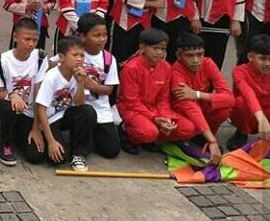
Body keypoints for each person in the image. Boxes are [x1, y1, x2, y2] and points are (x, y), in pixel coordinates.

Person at [116, 28, 195, 154]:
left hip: (155, 110)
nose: (160, 53)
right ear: (142, 47)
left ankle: (151, 137)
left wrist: (165, 118)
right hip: (133, 110)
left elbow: (163, 99)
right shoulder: (131, 68)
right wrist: (155, 118)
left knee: (188, 129)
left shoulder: (166, 67)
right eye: (155, 48)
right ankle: (127, 132)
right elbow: (131, 102)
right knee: (149, 132)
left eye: (163, 49)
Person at [28, 36, 96, 171]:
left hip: (63, 116)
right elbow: (40, 108)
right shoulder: (52, 77)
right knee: (51, 158)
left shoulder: (78, 75)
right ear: (61, 57)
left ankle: (78, 153)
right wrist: (51, 141)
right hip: (46, 120)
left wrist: (81, 82)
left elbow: (79, 103)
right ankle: (52, 141)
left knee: (87, 112)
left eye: (82, 55)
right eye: (75, 55)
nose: (79, 59)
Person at [0, 18, 45, 166]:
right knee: (10, 107)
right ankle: (6, 144)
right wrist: (12, 95)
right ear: (15, 37)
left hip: (28, 110)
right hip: (5, 105)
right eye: (27, 39)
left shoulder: (40, 58)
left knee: (36, 156)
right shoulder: (2, 60)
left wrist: (36, 127)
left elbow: (40, 93)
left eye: (35, 40)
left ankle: (19, 136)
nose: (31, 44)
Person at [170, 32, 232, 163]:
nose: (196, 60)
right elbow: (189, 107)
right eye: (189, 56)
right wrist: (212, 140)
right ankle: (187, 138)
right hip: (183, 113)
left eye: (200, 55)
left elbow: (229, 98)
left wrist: (197, 94)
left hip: (200, 108)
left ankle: (202, 138)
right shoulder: (176, 71)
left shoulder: (208, 64)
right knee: (189, 127)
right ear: (178, 55)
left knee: (224, 108)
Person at [76, 14, 121, 159]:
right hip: (78, 106)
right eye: (97, 35)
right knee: (85, 146)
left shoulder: (109, 59)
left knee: (111, 151)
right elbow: (54, 64)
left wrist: (91, 85)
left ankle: (97, 133)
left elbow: (108, 90)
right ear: (83, 36)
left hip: (100, 108)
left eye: (105, 35)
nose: (102, 39)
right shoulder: (75, 53)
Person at [228, 34, 270, 151]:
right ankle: (242, 132)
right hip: (249, 115)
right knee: (240, 102)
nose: (268, 63)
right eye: (262, 58)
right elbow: (248, 93)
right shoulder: (239, 71)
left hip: (267, 114)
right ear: (250, 56)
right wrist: (261, 118)